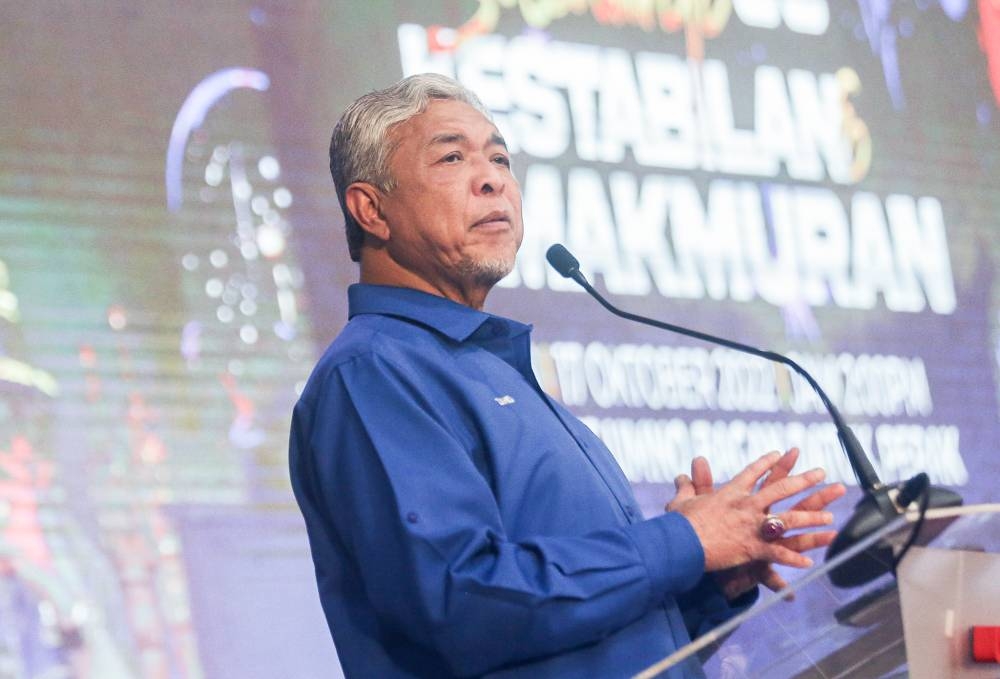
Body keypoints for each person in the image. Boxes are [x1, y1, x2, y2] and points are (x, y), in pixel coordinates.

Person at [289, 73, 845, 678]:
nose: (493, 177)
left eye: (500, 157)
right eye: (452, 156)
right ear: (371, 209)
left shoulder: (488, 369)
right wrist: (681, 543)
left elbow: (584, 643)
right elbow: (463, 603)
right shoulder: (375, 373)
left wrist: (710, 579)